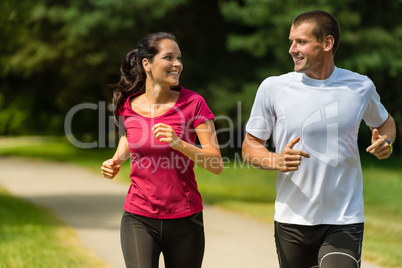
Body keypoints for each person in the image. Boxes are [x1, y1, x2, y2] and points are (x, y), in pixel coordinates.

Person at [242, 10, 396, 268]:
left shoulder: (359, 87)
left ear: (327, 43)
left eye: (300, 42)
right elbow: (249, 147)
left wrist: (387, 142)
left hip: (344, 218)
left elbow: (384, 122)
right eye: (291, 41)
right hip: (291, 220)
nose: (292, 49)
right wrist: (274, 160)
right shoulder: (273, 88)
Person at [101, 32, 223, 268]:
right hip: (138, 216)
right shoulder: (128, 105)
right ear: (147, 64)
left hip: (186, 219)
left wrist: (179, 143)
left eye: (179, 57)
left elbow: (216, 164)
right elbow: (130, 138)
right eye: (169, 57)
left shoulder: (193, 103)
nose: (177, 64)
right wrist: (115, 159)